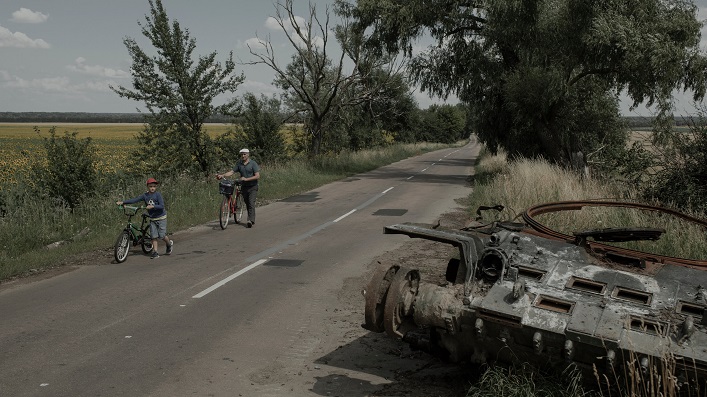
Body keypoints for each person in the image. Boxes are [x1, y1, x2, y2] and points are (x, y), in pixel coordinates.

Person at [116, 177, 173, 259]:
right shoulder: (145, 195)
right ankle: (155, 252)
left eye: (154, 186)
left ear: (156, 187)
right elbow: (135, 200)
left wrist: (152, 206)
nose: (152, 188)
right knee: (153, 236)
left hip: (161, 218)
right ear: (147, 186)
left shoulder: (158, 195)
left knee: (162, 236)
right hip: (152, 218)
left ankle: (168, 244)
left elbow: (161, 206)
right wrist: (123, 202)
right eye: (150, 186)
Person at [216, 148, 260, 228]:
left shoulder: (253, 164)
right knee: (247, 203)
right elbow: (232, 172)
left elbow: (257, 176)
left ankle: (250, 220)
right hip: (244, 187)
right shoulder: (239, 164)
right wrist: (223, 175)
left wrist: (246, 179)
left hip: (253, 186)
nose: (243, 156)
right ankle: (235, 210)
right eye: (241, 154)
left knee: (251, 203)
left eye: (244, 154)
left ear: (248, 154)